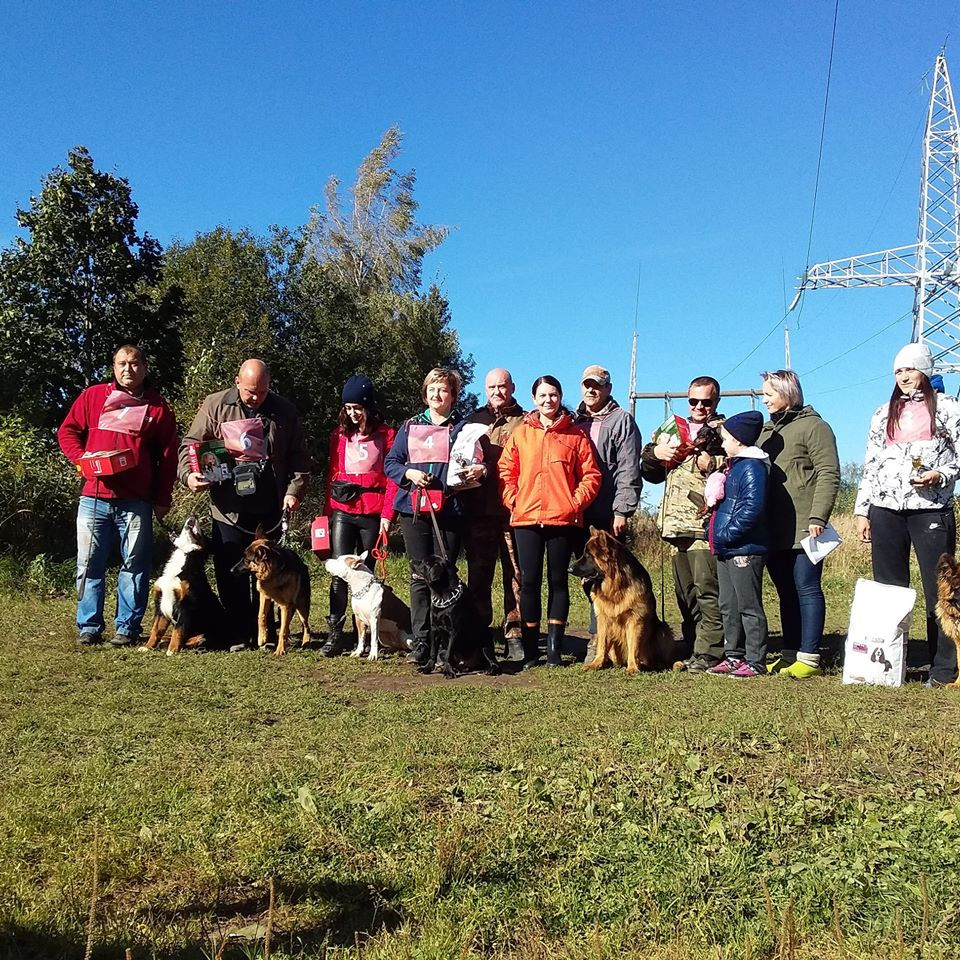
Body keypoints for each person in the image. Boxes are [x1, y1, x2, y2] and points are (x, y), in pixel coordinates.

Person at [179, 359, 311, 649]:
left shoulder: (284, 410)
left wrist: (294, 491)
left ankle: (269, 632)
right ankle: (240, 632)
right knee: (233, 571)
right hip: (229, 507)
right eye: (251, 391)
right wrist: (190, 476)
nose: (256, 397)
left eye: (263, 392)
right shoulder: (215, 404)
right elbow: (189, 444)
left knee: (268, 571)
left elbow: (299, 457)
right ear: (237, 382)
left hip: (270, 506)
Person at [57, 345, 178, 646]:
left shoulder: (157, 407)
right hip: (93, 497)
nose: (128, 369)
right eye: (122, 363)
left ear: (145, 367)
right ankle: (89, 626)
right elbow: (67, 431)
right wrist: (82, 459)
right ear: (113, 366)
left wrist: (163, 498)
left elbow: (169, 457)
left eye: (134, 363)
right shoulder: (93, 397)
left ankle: (127, 627)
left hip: (136, 500)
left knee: (135, 565)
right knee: (88, 564)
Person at [855, 342, 960, 688]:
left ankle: (944, 670)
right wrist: (862, 510)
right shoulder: (882, 412)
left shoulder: (947, 408)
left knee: (939, 590)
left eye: (910, 370)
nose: (903, 377)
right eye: (898, 371)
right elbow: (870, 464)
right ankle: (888, 667)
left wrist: (940, 476)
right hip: (885, 510)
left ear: (925, 371)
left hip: (930, 509)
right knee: (889, 592)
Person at [499, 376, 602, 668]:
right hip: (526, 519)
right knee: (529, 582)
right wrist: (513, 499)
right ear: (534, 399)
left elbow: (591, 475)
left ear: (560, 398)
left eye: (553, 395)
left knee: (558, 582)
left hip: (563, 520)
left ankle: (555, 650)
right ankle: (532, 650)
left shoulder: (575, 435)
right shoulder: (521, 433)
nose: (548, 400)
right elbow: (506, 469)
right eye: (543, 395)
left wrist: (574, 502)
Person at [385, 367, 479, 667]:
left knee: (446, 577)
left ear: (453, 395)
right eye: (432, 389)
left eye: (444, 390)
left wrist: (475, 471)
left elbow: (474, 464)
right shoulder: (410, 426)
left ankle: (446, 647)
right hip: (414, 511)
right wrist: (409, 472)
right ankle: (422, 641)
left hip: (450, 511)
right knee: (418, 577)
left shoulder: (462, 429)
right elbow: (391, 462)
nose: (437, 395)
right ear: (425, 394)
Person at [758, 370, 840, 679]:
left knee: (806, 587)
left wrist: (818, 515)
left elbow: (828, 472)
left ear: (788, 393)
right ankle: (790, 654)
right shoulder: (766, 432)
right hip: (773, 528)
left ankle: (810, 656)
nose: (764, 398)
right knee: (784, 591)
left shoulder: (815, 427)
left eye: (769, 393)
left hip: (806, 527)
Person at [640, 376, 725, 673]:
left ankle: (711, 651)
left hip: (705, 525)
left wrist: (711, 463)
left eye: (706, 401)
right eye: (694, 401)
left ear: (716, 402)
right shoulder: (673, 430)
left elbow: (737, 465)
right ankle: (693, 646)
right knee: (686, 594)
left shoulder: (724, 432)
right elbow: (649, 471)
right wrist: (655, 454)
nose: (699, 407)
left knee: (707, 592)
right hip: (676, 526)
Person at [322, 374, 399, 656]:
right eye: (348, 408)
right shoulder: (339, 435)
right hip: (342, 511)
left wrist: (388, 516)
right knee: (340, 572)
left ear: (369, 407)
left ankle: (365, 634)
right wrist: (326, 514)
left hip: (373, 512)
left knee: (366, 576)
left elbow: (392, 478)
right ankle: (335, 632)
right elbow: (332, 473)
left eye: (358, 408)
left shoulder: (388, 435)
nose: (353, 414)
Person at [574, 364, 643, 657]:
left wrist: (622, 510)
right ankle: (603, 636)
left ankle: (598, 640)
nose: (592, 390)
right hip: (576, 510)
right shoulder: (572, 420)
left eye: (598, 385)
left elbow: (629, 467)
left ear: (608, 389)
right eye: (587, 384)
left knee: (609, 576)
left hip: (607, 512)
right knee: (584, 574)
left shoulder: (621, 421)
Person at [461, 368, 525, 660]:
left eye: (502, 386)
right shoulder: (473, 420)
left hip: (514, 510)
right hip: (479, 510)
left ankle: (514, 634)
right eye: (491, 387)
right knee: (479, 575)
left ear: (512, 387)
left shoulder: (527, 421)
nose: (497, 392)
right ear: (484, 389)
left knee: (516, 574)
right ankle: (479, 634)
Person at [706, 411, 771, 678]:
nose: (722, 443)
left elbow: (751, 509)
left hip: (744, 548)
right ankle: (734, 655)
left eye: (725, 438)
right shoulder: (733, 466)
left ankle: (756, 659)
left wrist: (725, 534)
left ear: (738, 439)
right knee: (728, 604)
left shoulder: (752, 468)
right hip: (726, 548)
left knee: (748, 605)